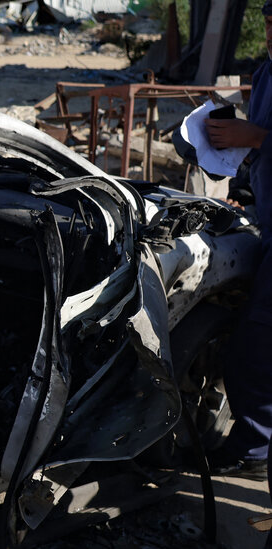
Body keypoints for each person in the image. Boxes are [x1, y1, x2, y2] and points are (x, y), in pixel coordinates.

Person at [204, 2, 272, 490]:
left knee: (255, 349)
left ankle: (253, 448)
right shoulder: (267, 72)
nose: (271, 31)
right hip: (268, 220)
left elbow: (263, 137)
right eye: (268, 21)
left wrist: (259, 137)